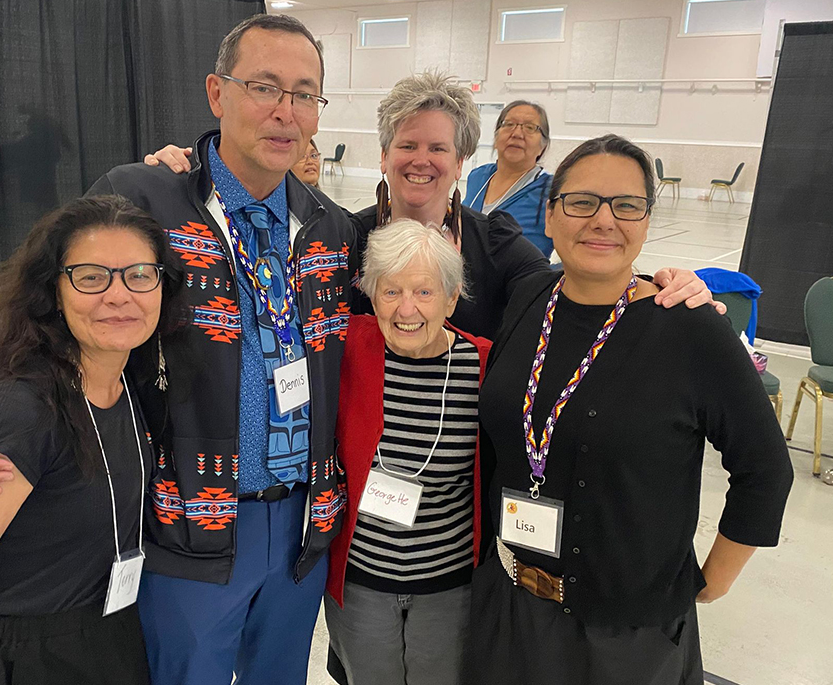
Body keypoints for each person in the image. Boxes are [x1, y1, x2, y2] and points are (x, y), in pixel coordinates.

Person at [0, 14, 352, 685]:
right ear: (217, 93)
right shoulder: (146, 195)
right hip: (193, 531)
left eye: (304, 93)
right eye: (264, 87)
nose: (284, 111)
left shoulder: (332, 226)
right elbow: (28, 302)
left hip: (301, 531)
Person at [471, 134, 794, 684]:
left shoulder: (689, 327)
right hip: (512, 600)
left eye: (626, 206)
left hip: (626, 635)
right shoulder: (526, 299)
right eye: (582, 202)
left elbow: (765, 467)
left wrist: (711, 581)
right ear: (550, 217)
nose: (603, 220)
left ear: (646, 222)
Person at [148, 72, 720, 341]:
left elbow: (568, 289)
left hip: (459, 478)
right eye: (407, 145)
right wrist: (194, 177)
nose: (421, 161)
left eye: (438, 148)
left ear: (463, 158)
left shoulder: (493, 244)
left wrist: (655, 284)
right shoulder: (340, 238)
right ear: (384, 155)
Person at [0, 195, 186, 684]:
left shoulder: (131, 378)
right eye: (91, 276)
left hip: (107, 634)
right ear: (52, 291)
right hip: (25, 657)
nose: (119, 295)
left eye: (139, 275)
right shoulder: (22, 410)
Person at [325, 218, 489, 685]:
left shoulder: (483, 365)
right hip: (361, 583)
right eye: (390, 291)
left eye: (424, 292)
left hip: (448, 586)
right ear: (371, 295)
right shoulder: (347, 346)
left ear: (452, 298)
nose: (406, 309)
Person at [464, 100, 551, 257]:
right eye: (509, 124)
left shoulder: (550, 190)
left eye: (530, 127)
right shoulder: (478, 176)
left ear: (543, 146)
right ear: (496, 139)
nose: (517, 134)